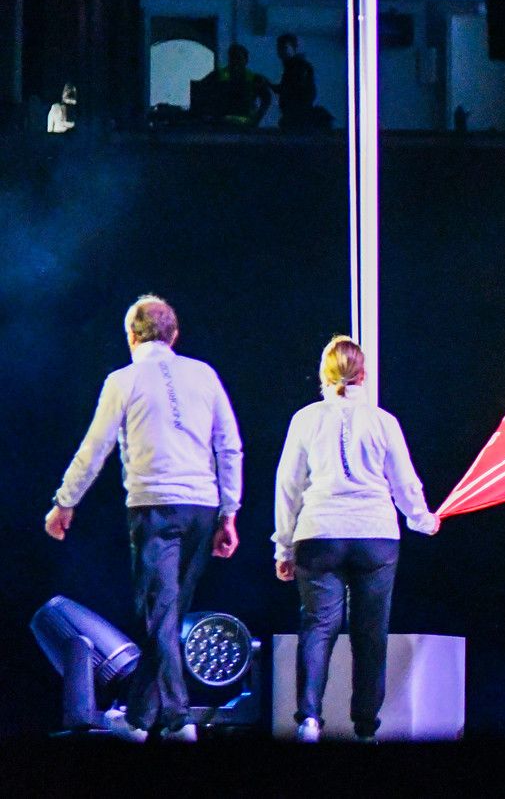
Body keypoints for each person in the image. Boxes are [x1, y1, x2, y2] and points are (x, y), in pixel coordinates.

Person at [44, 295, 243, 743]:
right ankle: (138, 717)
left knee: (160, 616)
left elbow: (94, 448)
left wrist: (64, 501)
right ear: (174, 335)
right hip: (201, 507)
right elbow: (229, 445)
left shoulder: (123, 379)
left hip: (153, 508)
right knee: (167, 615)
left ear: (131, 336)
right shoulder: (205, 375)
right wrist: (229, 512)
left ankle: (177, 720)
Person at [272, 336, 439, 742]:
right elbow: (405, 481)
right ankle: (366, 727)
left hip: (320, 533)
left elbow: (288, 486)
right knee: (371, 633)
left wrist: (283, 544)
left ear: (323, 375)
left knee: (318, 627)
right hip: (375, 536)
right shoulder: (383, 421)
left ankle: (309, 720)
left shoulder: (305, 419)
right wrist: (422, 519)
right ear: (364, 374)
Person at [191, 44, 271, 125]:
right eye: (232, 58)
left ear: (246, 60)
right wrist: (205, 115)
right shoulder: (218, 76)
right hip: (222, 123)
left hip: (246, 125)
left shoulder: (254, 79)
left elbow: (267, 98)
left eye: (238, 58)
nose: (235, 61)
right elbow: (200, 92)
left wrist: (258, 116)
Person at [272, 34, 331, 130]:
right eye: (279, 48)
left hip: (298, 117)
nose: (280, 51)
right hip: (294, 115)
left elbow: (295, 89)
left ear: (294, 48)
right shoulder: (292, 67)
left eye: (284, 47)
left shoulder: (298, 67)